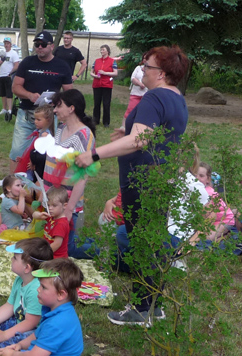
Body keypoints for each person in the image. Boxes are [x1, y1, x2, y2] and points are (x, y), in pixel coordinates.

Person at [74, 45, 190, 327]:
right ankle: (154, 305)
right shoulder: (177, 98)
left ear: (161, 73)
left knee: (142, 243)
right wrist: (127, 130)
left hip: (142, 180)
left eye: (147, 66)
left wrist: (94, 153)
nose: (142, 70)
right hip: (160, 179)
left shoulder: (154, 96)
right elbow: (158, 132)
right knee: (153, 240)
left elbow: (140, 140)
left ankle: (140, 309)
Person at [9, 31, 74, 160]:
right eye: (37, 44)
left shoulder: (62, 66)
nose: (39, 47)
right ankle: (16, 174)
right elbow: (15, 87)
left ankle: (41, 174)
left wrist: (57, 100)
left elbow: (69, 93)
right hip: (26, 114)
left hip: (49, 117)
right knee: (17, 153)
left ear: (52, 46)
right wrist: (29, 95)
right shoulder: (27, 62)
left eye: (43, 44)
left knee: (47, 154)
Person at [46, 88, 96, 248]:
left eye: (59, 106)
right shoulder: (60, 128)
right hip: (52, 201)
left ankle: (104, 252)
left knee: (69, 248)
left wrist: (69, 209)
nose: (55, 110)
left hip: (66, 206)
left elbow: (82, 176)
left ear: (71, 108)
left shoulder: (83, 135)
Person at [13, 104, 55, 180]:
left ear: (48, 120)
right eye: (35, 119)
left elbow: (42, 154)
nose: (35, 122)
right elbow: (31, 148)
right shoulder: (38, 132)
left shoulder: (45, 135)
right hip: (31, 162)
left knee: (29, 181)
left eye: (39, 120)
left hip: (36, 166)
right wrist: (24, 158)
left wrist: (34, 163)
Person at [195, 162, 235, 242]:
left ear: (208, 179)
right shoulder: (197, 190)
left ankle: (226, 235)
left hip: (224, 220)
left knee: (205, 239)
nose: (197, 178)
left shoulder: (207, 193)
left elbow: (208, 215)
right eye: (195, 175)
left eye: (201, 176)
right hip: (213, 219)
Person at [33, 186, 70, 259]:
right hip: (49, 253)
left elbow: (57, 244)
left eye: (54, 205)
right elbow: (34, 215)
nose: (50, 208)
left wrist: (43, 254)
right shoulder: (51, 216)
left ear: (64, 205)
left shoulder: (61, 224)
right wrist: (39, 215)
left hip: (57, 258)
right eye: (48, 205)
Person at [91, 44, 118, 128]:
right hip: (97, 84)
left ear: (107, 51)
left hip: (107, 85)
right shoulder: (96, 61)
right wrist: (95, 76)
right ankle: (96, 120)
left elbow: (115, 73)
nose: (101, 51)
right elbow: (91, 72)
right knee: (96, 103)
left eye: (103, 50)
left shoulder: (112, 61)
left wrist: (105, 73)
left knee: (106, 104)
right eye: (101, 49)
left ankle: (106, 122)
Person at [0, 37, 20, 120]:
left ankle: (10, 109)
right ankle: (4, 108)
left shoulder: (13, 53)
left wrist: (10, 73)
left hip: (8, 76)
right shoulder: (2, 53)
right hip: (1, 75)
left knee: (9, 93)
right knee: (2, 93)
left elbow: (16, 65)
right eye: (5, 43)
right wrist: (1, 61)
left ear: (10, 44)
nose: (6, 45)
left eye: (7, 43)